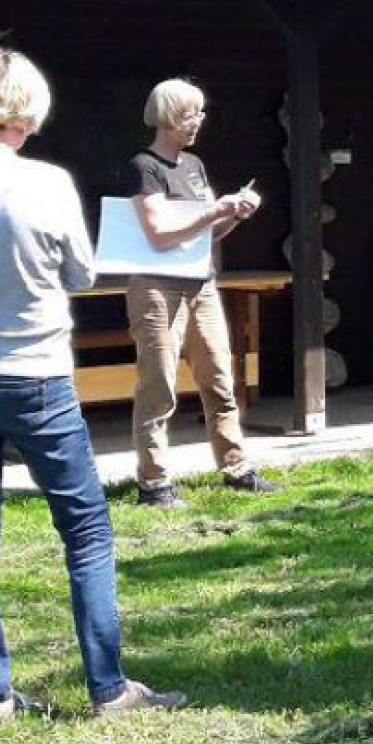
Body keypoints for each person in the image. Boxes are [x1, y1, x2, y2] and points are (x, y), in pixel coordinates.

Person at [0, 47, 182, 724]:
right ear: (30, 110)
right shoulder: (47, 184)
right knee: (86, 529)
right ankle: (108, 686)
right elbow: (81, 275)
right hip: (33, 373)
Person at [123, 78, 276, 510]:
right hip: (156, 288)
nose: (198, 123)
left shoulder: (195, 166)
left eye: (201, 114)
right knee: (159, 385)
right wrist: (215, 208)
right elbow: (159, 234)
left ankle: (236, 468)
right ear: (168, 116)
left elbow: (208, 233)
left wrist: (236, 214)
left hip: (201, 284)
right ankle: (153, 483)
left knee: (220, 378)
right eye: (191, 114)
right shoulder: (144, 167)